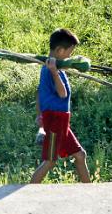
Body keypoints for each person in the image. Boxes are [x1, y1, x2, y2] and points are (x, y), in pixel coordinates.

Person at [31, 28, 90, 184]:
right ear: (59, 50)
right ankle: (29, 190)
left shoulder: (53, 67)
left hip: (61, 120)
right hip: (55, 121)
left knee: (80, 155)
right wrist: (56, 73)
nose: (69, 57)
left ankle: (90, 191)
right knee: (50, 161)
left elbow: (39, 94)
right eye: (69, 53)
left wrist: (39, 114)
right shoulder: (50, 70)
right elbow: (62, 94)